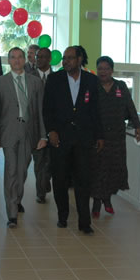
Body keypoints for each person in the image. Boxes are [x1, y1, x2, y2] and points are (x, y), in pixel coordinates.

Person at [43, 46, 103, 235]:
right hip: (60, 138)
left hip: (84, 140)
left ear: (79, 60)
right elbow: (47, 108)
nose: (66, 61)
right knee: (60, 179)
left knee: (83, 180)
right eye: (64, 58)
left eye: (70, 58)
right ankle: (63, 215)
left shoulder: (92, 81)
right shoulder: (54, 80)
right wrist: (51, 131)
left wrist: (99, 135)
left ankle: (84, 222)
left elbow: (96, 111)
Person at [0, 47, 46, 227]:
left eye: (20, 57)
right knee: (11, 170)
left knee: (22, 171)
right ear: (9, 61)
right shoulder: (0, 82)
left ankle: (16, 198)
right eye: (13, 57)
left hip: (30, 132)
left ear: (25, 59)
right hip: (9, 131)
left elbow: (41, 111)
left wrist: (43, 135)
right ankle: (11, 213)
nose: (17, 60)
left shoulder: (35, 82)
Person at [90, 56, 140, 218]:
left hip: (116, 137)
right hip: (97, 136)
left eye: (106, 68)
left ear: (112, 70)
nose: (103, 71)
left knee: (114, 169)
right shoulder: (92, 86)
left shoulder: (121, 86)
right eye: (100, 68)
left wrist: (137, 125)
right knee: (98, 169)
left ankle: (106, 198)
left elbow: (130, 107)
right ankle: (99, 202)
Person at [32, 47, 53, 203]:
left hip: (54, 127)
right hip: (35, 127)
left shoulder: (59, 77)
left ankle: (45, 181)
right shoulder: (29, 77)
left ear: (49, 59)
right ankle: (41, 191)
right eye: (38, 57)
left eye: (43, 57)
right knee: (39, 161)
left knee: (51, 161)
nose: (39, 60)